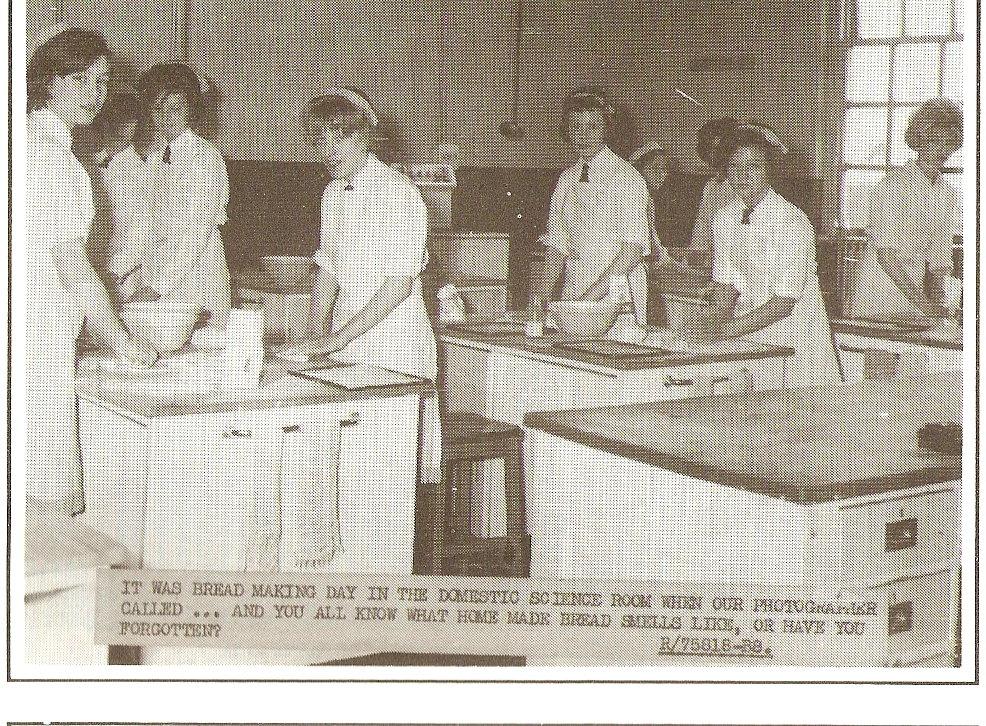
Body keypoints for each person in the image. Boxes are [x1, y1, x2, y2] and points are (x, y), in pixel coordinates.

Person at [25, 27, 156, 510]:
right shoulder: (54, 161)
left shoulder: (22, 143)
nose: (96, 94)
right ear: (50, 81)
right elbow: (75, 271)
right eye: (82, 80)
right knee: (45, 505)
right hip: (35, 350)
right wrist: (124, 343)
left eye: (102, 82)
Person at [280, 89, 437, 381]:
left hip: (394, 346)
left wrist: (335, 340)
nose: (329, 152)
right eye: (320, 142)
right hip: (345, 342)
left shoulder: (399, 192)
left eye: (339, 139)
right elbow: (328, 269)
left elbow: (399, 286)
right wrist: (316, 334)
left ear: (365, 136)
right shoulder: (333, 193)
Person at [703, 125, 841, 386]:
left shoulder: (791, 222)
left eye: (753, 166)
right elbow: (725, 284)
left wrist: (723, 330)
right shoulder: (724, 217)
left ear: (769, 169)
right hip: (747, 331)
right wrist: (711, 320)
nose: (742, 175)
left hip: (794, 333)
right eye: (734, 166)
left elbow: (783, 304)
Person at [129, 63, 231, 327]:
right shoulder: (156, 158)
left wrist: (156, 287)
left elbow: (193, 234)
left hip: (194, 283)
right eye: (157, 110)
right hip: (157, 284)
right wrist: (118, 271)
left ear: (191, 110)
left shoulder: (204, 157)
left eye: (174, 109)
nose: (165, 118)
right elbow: (143, 225)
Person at [540, 89, 652, 324]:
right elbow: (557, 245)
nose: (584, 135)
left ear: (606, 129)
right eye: (576, 127)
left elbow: (632, 251)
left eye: (593, 127)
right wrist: (540, 297)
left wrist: (586, 302)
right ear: (567, 131)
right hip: (576, 289)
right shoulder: (566, 179)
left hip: (616, 293)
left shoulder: (626, 177)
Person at [846, 98, 962, 321]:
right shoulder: (892, 185)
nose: (943, 149)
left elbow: (940, 256)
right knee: (882, 353)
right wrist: (925, 306)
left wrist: (941, 300)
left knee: (920, 353)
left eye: (949, 142)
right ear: (918, 141)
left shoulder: (947, 193)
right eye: (935, 140)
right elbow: (886, 256)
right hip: (880, 287)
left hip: (916, 291)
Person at [86, 92, 152, 302]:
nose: (127, 127)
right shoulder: (88, 163)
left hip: (122, 278)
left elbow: (142, 231)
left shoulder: (139, 173)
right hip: (84, 267)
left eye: (130, 121)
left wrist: (114, 271)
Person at [687, 117, 740, 262]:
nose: (715, 155)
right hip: (711, 259)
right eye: (710, 149)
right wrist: (696, 253)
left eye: (721, 149)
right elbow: (703, 223)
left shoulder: (743, 185)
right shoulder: (711, 186)